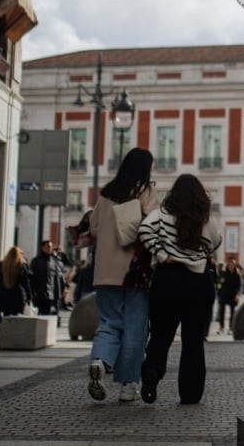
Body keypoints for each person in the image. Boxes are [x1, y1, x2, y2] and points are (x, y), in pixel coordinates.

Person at [137, 174, 222, 405]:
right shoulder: (204, 219)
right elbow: (216, 242)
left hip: (167, 279)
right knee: (193, 339)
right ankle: (190, 393)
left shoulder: (162, 215)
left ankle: (152, 369)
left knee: (161, 333)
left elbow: (144, 230)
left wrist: (163, 255)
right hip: (197, 281)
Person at [87, 148, 159, 403]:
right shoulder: (145, 192)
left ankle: (100, 360)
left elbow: (93, 228)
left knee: (108, 322)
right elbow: (154, 227)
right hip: (134, 272)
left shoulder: (107, 192)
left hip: (105, 272)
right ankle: (128, 385)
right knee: (134, 329)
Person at [0, 246, 31, 316]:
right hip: (18, 295)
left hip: (3, 294)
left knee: (4, 319)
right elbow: (26, 283)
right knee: (17, 320)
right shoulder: (22, 266)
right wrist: (29, 297)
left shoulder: (1, 265)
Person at [29, 241, 62, 316]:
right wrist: (32, 293)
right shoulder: (36, 261)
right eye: (48, 247)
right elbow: (31, 278)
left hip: (51, 295)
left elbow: (57, 279)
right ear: (42, 248)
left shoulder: (54, 261)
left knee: (49, 316)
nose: (50, 248)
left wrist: (58, 294)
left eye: (51, 247)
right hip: (39, 294)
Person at [216, 258, 242, 334]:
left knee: (232, 312)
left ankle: (231, 328)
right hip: (224, 294)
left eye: (232, 265)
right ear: (227, 266)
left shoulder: (237, 275)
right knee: (221, 311)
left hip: (233, 295)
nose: (231, 266)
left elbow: (239, 286)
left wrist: (237, 294)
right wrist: (219, 287)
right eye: (230, 265)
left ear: (235, 266)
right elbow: (219, 284)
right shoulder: (224, 273)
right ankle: (221, 328)